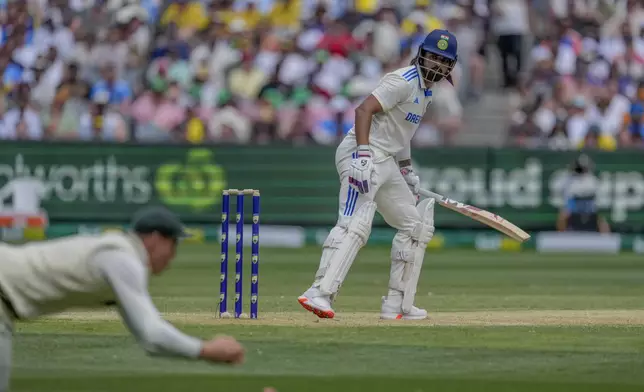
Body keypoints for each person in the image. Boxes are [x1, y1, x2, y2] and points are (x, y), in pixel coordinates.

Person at [297, 29, 458, 320]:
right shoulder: (402, 81)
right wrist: (362, 153)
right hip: (360, 154)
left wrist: (407, 169)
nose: (437, 65)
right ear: (422, 54)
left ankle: (398, 304)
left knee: (414, 227)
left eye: (444, 61)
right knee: (354, 224)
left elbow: (402, 133)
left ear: (451, 66)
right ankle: (318, 292)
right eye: (433, 57)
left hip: (386, 161)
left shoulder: (427, 92)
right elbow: (363, 110)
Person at [0, 206, 245, 390]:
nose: (172, 257)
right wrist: (206, 350)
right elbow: (153, 334)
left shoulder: (120, 257)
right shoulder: (123, 258)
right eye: (173, 245)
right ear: (155, 238)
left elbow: (149, 341)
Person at [556, 154, 610, 233]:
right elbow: (568, 202)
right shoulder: (570, 180)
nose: (581, 170)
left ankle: (607, 242)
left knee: (603, 221)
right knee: (562, 216)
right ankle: (560, 239)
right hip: (574, 209)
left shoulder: (592, 180)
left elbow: (596, 202)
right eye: (580, 167)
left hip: (590, 210)